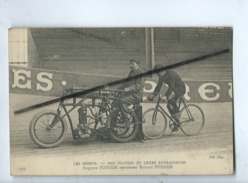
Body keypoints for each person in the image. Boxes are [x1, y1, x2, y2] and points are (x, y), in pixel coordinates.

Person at [148, 64, 186, 131]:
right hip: (173, 89)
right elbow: (158, 86)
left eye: (158, 73)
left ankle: (177, 112)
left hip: (180, 89)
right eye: (156, 73)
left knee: (169, 97)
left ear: (163, 71)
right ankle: (176, 122)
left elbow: (171, 86)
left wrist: (165, 96)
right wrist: (153, 95)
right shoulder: (161, 76)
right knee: (169, 106)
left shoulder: (171, 74)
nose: (157, 75)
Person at [117, 59, 145, 125]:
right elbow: (125, 83)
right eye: (130, 64)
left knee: (121, 101)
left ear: (137, 64)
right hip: (130, 93)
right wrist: (118, 90)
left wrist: (129, 89)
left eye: (132, 64)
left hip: (136, 95)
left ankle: (126, 120)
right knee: (116, 101)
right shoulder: (132, 72)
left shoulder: (140, 72)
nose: (130, 65)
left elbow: (139, 85)